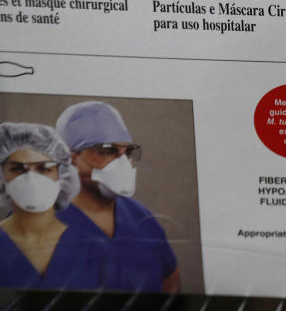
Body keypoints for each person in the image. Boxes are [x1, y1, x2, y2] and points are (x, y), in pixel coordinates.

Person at [55, 101, 180, 293]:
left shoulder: (142, 219)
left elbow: (170, 283)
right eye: (107, 151)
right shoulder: (33, 222)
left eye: (126, 152)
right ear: (72, 158)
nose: (122, 163)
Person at [0, 122, 116, 289]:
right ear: (2, 177)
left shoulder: (94, 251)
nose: (31, 179)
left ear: (62, 176)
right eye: (17, 169)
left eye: (44, 168)